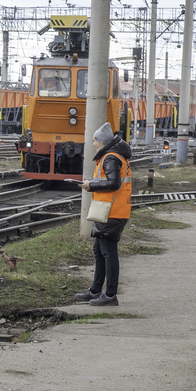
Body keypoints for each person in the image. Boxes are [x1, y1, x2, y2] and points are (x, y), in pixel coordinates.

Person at [74, 122, 132, 306]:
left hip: (112, 211)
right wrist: (92, 183)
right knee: (99, 251)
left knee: (108, 253)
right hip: (108, 210)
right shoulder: (111, 157)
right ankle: (95, 290)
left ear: (102, 142)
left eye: (95, 140)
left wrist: (90, 185)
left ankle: (110, 295)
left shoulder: (111, 158)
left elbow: (113, 183)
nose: (93, 144)